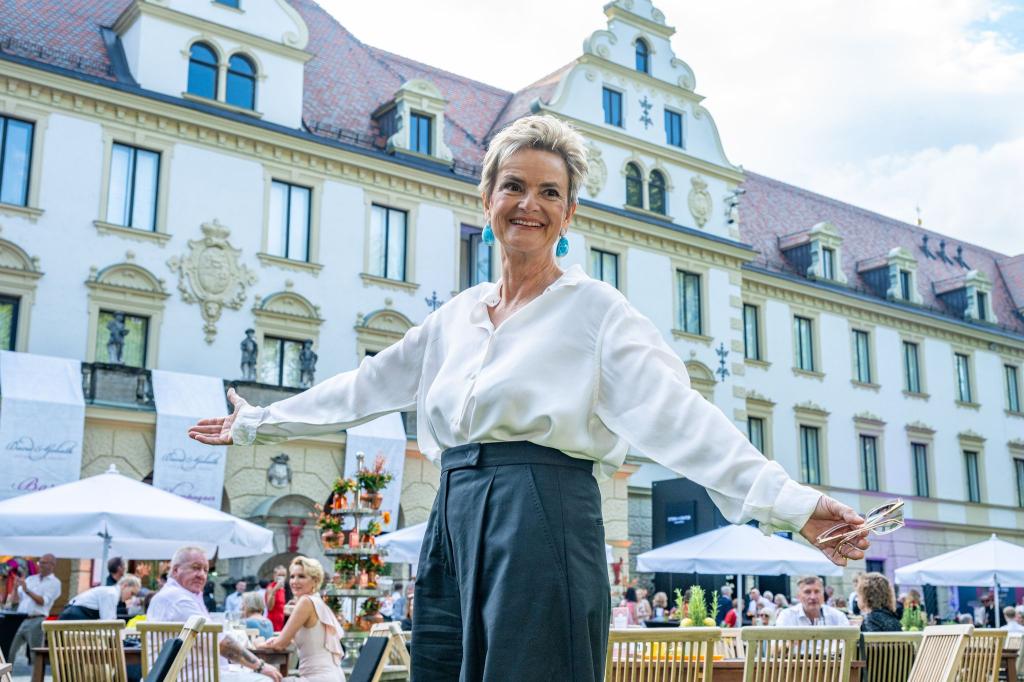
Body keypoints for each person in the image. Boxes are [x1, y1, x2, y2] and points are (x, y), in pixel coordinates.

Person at [188, 114, 869, 682]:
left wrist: (795, 504)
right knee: (446, 667)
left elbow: (680, 416)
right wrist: (260, 422)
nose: (529, 204)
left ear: (569, 214)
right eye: (513, 186)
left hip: (543, 508)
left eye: (550, 192)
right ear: (486, 201)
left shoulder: (596, 310)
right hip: (454, 511)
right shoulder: (459, 314)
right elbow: (369, 384)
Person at [147, 546, 282, 680]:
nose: (202, 575)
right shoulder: (179, 599)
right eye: (195, 567)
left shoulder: (176, 595)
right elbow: (220, 643)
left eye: (205, 570)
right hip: (189, 676)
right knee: (265, 679)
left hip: (186, 674)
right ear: (176, 570)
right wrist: (260, 666)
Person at [264, 557, 344, 681]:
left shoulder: (306, 602)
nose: (294, 581)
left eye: (301, 576)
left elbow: (280, 645)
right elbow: (311, 637)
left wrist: (257, 643)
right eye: (292, 576)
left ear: (315, 581)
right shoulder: (317, 602)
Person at [9, 554, 61, 665]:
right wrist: (15, 587)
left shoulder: (55, 583)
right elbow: (15, 601)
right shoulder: (31, 579)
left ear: (52, 565)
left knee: (35, 655)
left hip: (37, 619)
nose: (40, 565)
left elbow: (42, 601)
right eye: (40, 562)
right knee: (10, 651)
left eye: (43, 563)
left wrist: (27, 590)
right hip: (20, 618)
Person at [776, 576, 850, 627]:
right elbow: (775, 646)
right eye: (807, 592)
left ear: (823, 595)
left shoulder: (837, 616)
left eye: (817, 591)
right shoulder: (787, 616)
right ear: (798, 596)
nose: (813, 597)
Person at [59, 575, 140, 620]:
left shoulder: (110, 592)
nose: (131, 597)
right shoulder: (112, 594)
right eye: (132, 593)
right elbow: (108, 622)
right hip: (73, 617)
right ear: (124, 585)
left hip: (71, 615)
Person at [265, 565, 289, 631]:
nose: (282, 577)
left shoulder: (283, 588)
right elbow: (270, 607)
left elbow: (280, 605)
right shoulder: (271, 587)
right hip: (273, 621)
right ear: (274, 575)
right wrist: (275, 589)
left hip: (281, 621)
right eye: (279, 575)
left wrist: (288, 604)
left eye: (283, 575)